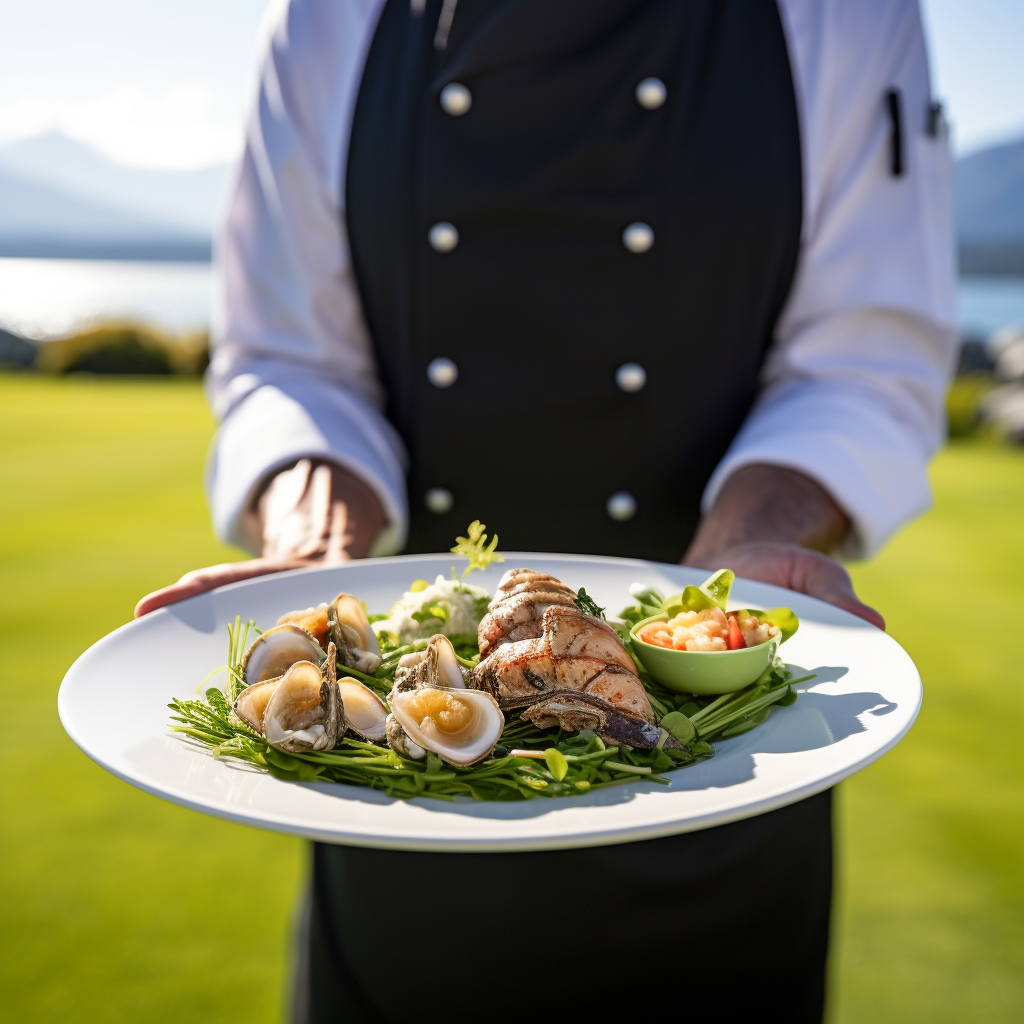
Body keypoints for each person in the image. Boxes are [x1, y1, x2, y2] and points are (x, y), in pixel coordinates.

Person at [137, 0, 956, 1020]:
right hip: (402, 791)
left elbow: (864, 361)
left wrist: (758, 544)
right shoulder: (325, 17)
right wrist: (315, 554)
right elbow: (290, 359)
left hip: (717, 769)